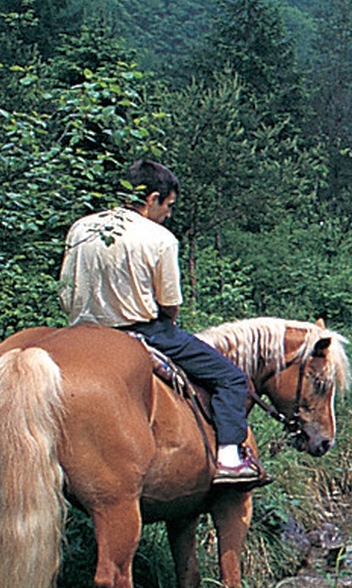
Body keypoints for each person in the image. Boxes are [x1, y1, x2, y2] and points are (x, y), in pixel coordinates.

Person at [58, 159, 262, 485]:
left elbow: (66, 292)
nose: (169, 213)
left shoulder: (82, 228)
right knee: (232, 379)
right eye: (168, 205)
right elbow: (169, 304)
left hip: (80, 331)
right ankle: (228, 458)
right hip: (142, 331)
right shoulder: (159, 237)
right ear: (152, 198)